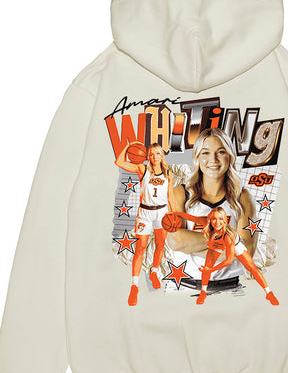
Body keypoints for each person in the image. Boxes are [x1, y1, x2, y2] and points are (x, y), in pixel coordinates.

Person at [167, 127, 257, 292]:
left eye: (221, 152)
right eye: (205, 153)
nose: (213, 159)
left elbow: (246, 251)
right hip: (184, 288)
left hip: (230, 290)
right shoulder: (180, 193)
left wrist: (192, 246)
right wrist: (228, 244)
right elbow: (176, 241)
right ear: (197, 157)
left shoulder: (242, 197)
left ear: (230, 156)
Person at [175, 208, 278, 305]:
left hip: (235, 246)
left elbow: (229, 260)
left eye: (220, 219)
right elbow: (191, 218)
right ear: (210, 219)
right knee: (207, 267)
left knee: (252, 269)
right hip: (218, 244)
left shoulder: (228, 236)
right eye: (214, 218)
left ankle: (269, 293)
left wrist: (212, 269)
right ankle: (203, 292)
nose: (217, 222)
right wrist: (176, 214)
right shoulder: (207, 223)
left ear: (224, 220)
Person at [115, 142, 174, 305]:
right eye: (151, 154)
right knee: (140, 248)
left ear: (162, 155)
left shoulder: (168, 173)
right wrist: (129, 146)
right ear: (148, 157)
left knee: (160, 244)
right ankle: (134, 286)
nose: (154, 157)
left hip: (162, 212)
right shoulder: (143, 169)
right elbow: (119, 162)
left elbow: (170, 195)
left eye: (157, 154)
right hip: (145, 213)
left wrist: (174, 214)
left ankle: (154, 271)